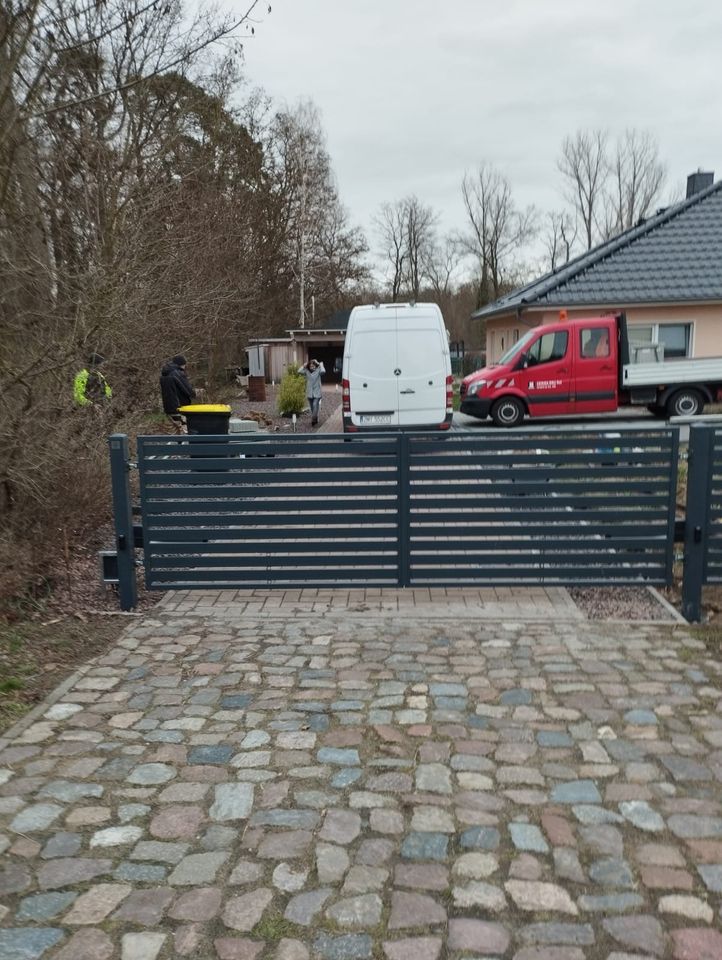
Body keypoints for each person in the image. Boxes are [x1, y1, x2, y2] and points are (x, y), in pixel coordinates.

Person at [160, 354, 198, 433]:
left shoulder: (164, 374)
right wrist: (195, 393)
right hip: (180, 407)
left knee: (176, 431)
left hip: (169, 408)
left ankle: (177, 443)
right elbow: (188, 391)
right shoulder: (177, 373)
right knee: (185, 431)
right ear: (182, 364)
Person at [298, 358, 325, 426]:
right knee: (312, 408)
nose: (312, 367)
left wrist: (320, 364)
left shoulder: (319, 370)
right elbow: (299, 371)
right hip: (309, 393)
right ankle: (315, 418)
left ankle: (313, 419)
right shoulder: (306, 371)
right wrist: (303, 366)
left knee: (315, 404)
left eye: (313, 366)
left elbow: (323, 371)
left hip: (317, 392)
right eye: (310, 366)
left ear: (316, 366)